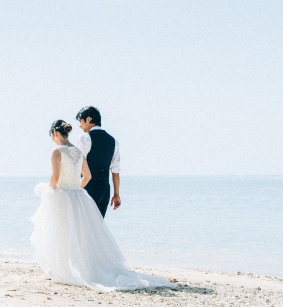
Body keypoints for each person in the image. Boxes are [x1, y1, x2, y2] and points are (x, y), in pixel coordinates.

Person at [29, 119, 175, 291]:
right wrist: (74, 189)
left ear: (54, 133)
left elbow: (54, 178)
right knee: (77, 234)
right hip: (77, 197)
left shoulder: (57, 151)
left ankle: (59, 269)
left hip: (61, 196)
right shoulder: (77, 152)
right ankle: (70, 267)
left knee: (60, 232)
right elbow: (87, 176)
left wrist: (51, 191)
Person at [75, 106, 119, 218]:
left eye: (80, 121)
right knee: (97, 228)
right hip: (105, 190)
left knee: (86, 228)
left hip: (89, 188)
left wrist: (73, 189)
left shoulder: (84, 138)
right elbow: (115, 170)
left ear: (88, 119)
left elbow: (77, 166)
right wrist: (116, 194)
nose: (80, 125)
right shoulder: (113, 141)